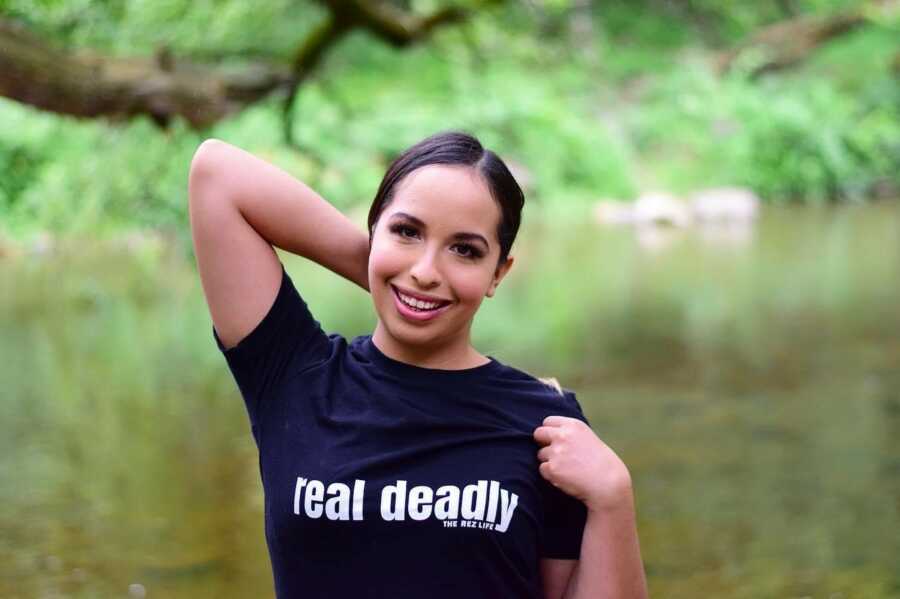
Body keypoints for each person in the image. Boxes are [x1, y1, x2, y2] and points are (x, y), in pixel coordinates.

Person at [188, 130, 648, 599]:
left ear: (499, 273)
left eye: (464, 250)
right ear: (374, 233)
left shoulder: (546, 425)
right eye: (406, 232)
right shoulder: (295, 376)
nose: (427, 269)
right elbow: (216, 174)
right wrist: (392, 281)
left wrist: (613, 498)